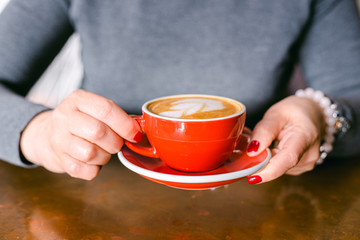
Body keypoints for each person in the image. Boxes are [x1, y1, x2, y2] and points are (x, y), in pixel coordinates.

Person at [0, 0, 359, 184]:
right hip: (91, 194)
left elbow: (353, 93)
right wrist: (37, 131)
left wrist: (322, 116)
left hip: (259, 201)